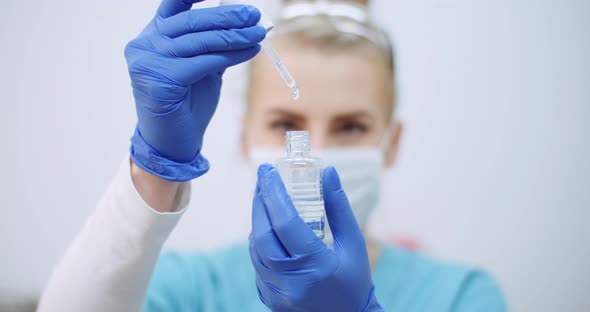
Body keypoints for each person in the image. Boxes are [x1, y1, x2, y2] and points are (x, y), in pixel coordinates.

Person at [38, 0, 507, 311]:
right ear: (244, 136)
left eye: (351, 126)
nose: (317, 152)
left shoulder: (459, 295)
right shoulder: (192, 288)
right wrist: (156, 163)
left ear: (393, 141)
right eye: (286, 125)